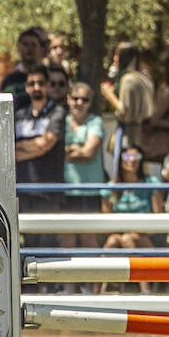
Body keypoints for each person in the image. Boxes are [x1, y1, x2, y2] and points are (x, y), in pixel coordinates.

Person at [13, 63, 66, 248]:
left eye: (41, 83)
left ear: (48, 86)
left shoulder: (57, 112)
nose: (36, 87)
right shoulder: (19, 115)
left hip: (48, 190)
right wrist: (35, 147)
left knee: (48, 243)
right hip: (23, 189)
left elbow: (46, 144)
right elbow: (8, 150)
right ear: (26, 87)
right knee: (27, 243)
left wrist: (19, 149)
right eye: (32, 83)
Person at [101, 148, 165, 290]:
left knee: (128, 239)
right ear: (120, 160)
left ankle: (145, 289)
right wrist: (122, 233)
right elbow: (106, 223)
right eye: (127, 156)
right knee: (112, 241)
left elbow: (158, 218)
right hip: (119, 236)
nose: (132, 159)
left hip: (147, 237)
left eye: (136, 156)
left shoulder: (151, 182)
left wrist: (137, 231)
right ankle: (98, 291)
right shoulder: (111, 187)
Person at [61, 81, 105, 261]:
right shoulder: (60, 121)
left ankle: (92, 287)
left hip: (90, 189)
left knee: (89, 238)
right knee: (66, 238)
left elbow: (89, 152)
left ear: (90, 102)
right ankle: (67, 287)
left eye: (84, 99)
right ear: (68, 99)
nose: (79, 102)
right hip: (64, 189)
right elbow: (56, 152)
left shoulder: (96, 122)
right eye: (75, 98)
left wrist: (67, 150)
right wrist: (78, 149)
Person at [100, 42, 155, 161]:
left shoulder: (128, 80)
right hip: (141, 136)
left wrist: (109, 95)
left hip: (130, 137)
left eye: (118, 54)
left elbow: (125, 112)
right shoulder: (143, 78)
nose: (115, 58)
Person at [0, 26, 49, 104]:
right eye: (25, 44)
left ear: (41, 48)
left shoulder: (49, 75)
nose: (29, 48)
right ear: (18, 47)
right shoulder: (10, 80)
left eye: (33, 44)